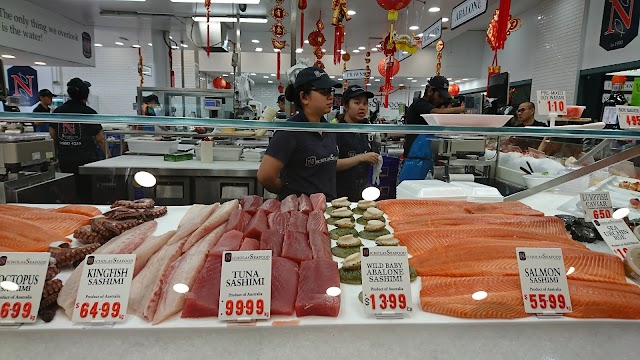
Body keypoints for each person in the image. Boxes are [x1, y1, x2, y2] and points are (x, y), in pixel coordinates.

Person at [258, 66, 342, 201]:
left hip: (327, 208)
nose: (330, 96)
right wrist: (289, 193)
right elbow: (265, 175)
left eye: (331, 91)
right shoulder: (290, 131)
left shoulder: (329, 129)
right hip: (299, 212)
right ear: (304, 97)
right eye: (324, 91)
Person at [50, 78, 109, 203]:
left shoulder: (58, 111)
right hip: (87, 161)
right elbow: (100, 139)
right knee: (87, 194)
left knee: (68, 193)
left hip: (65, 159)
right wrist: (108, 157)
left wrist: (54, 158)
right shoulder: (89, 113)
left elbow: (52, 136)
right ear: (85, 95)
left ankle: (71, 217)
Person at [399, 76, 466, 182]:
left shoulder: (432, 106)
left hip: (426, 158)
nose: (441, 100)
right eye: (439, 96)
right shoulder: (419, 104)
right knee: (408, 191)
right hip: (414, 158)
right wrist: (463, 109)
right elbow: (437, 112)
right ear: (430, 91)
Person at [335, 85, 380, 201]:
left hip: (363, 192)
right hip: (341, 194)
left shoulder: (364, 130)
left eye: (365, 104)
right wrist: (361, 158)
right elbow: (332, 165)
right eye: (357, 103)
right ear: (345, 106)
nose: (362, 107)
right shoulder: (337, 131)